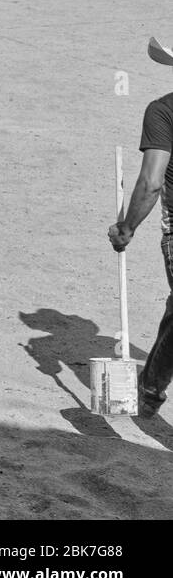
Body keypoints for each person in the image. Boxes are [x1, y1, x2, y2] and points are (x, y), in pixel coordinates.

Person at [107, 36, 173, 418]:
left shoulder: (163, 111)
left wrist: (126, 227)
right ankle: (150, 388)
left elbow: (151, 182)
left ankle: (149, 387)